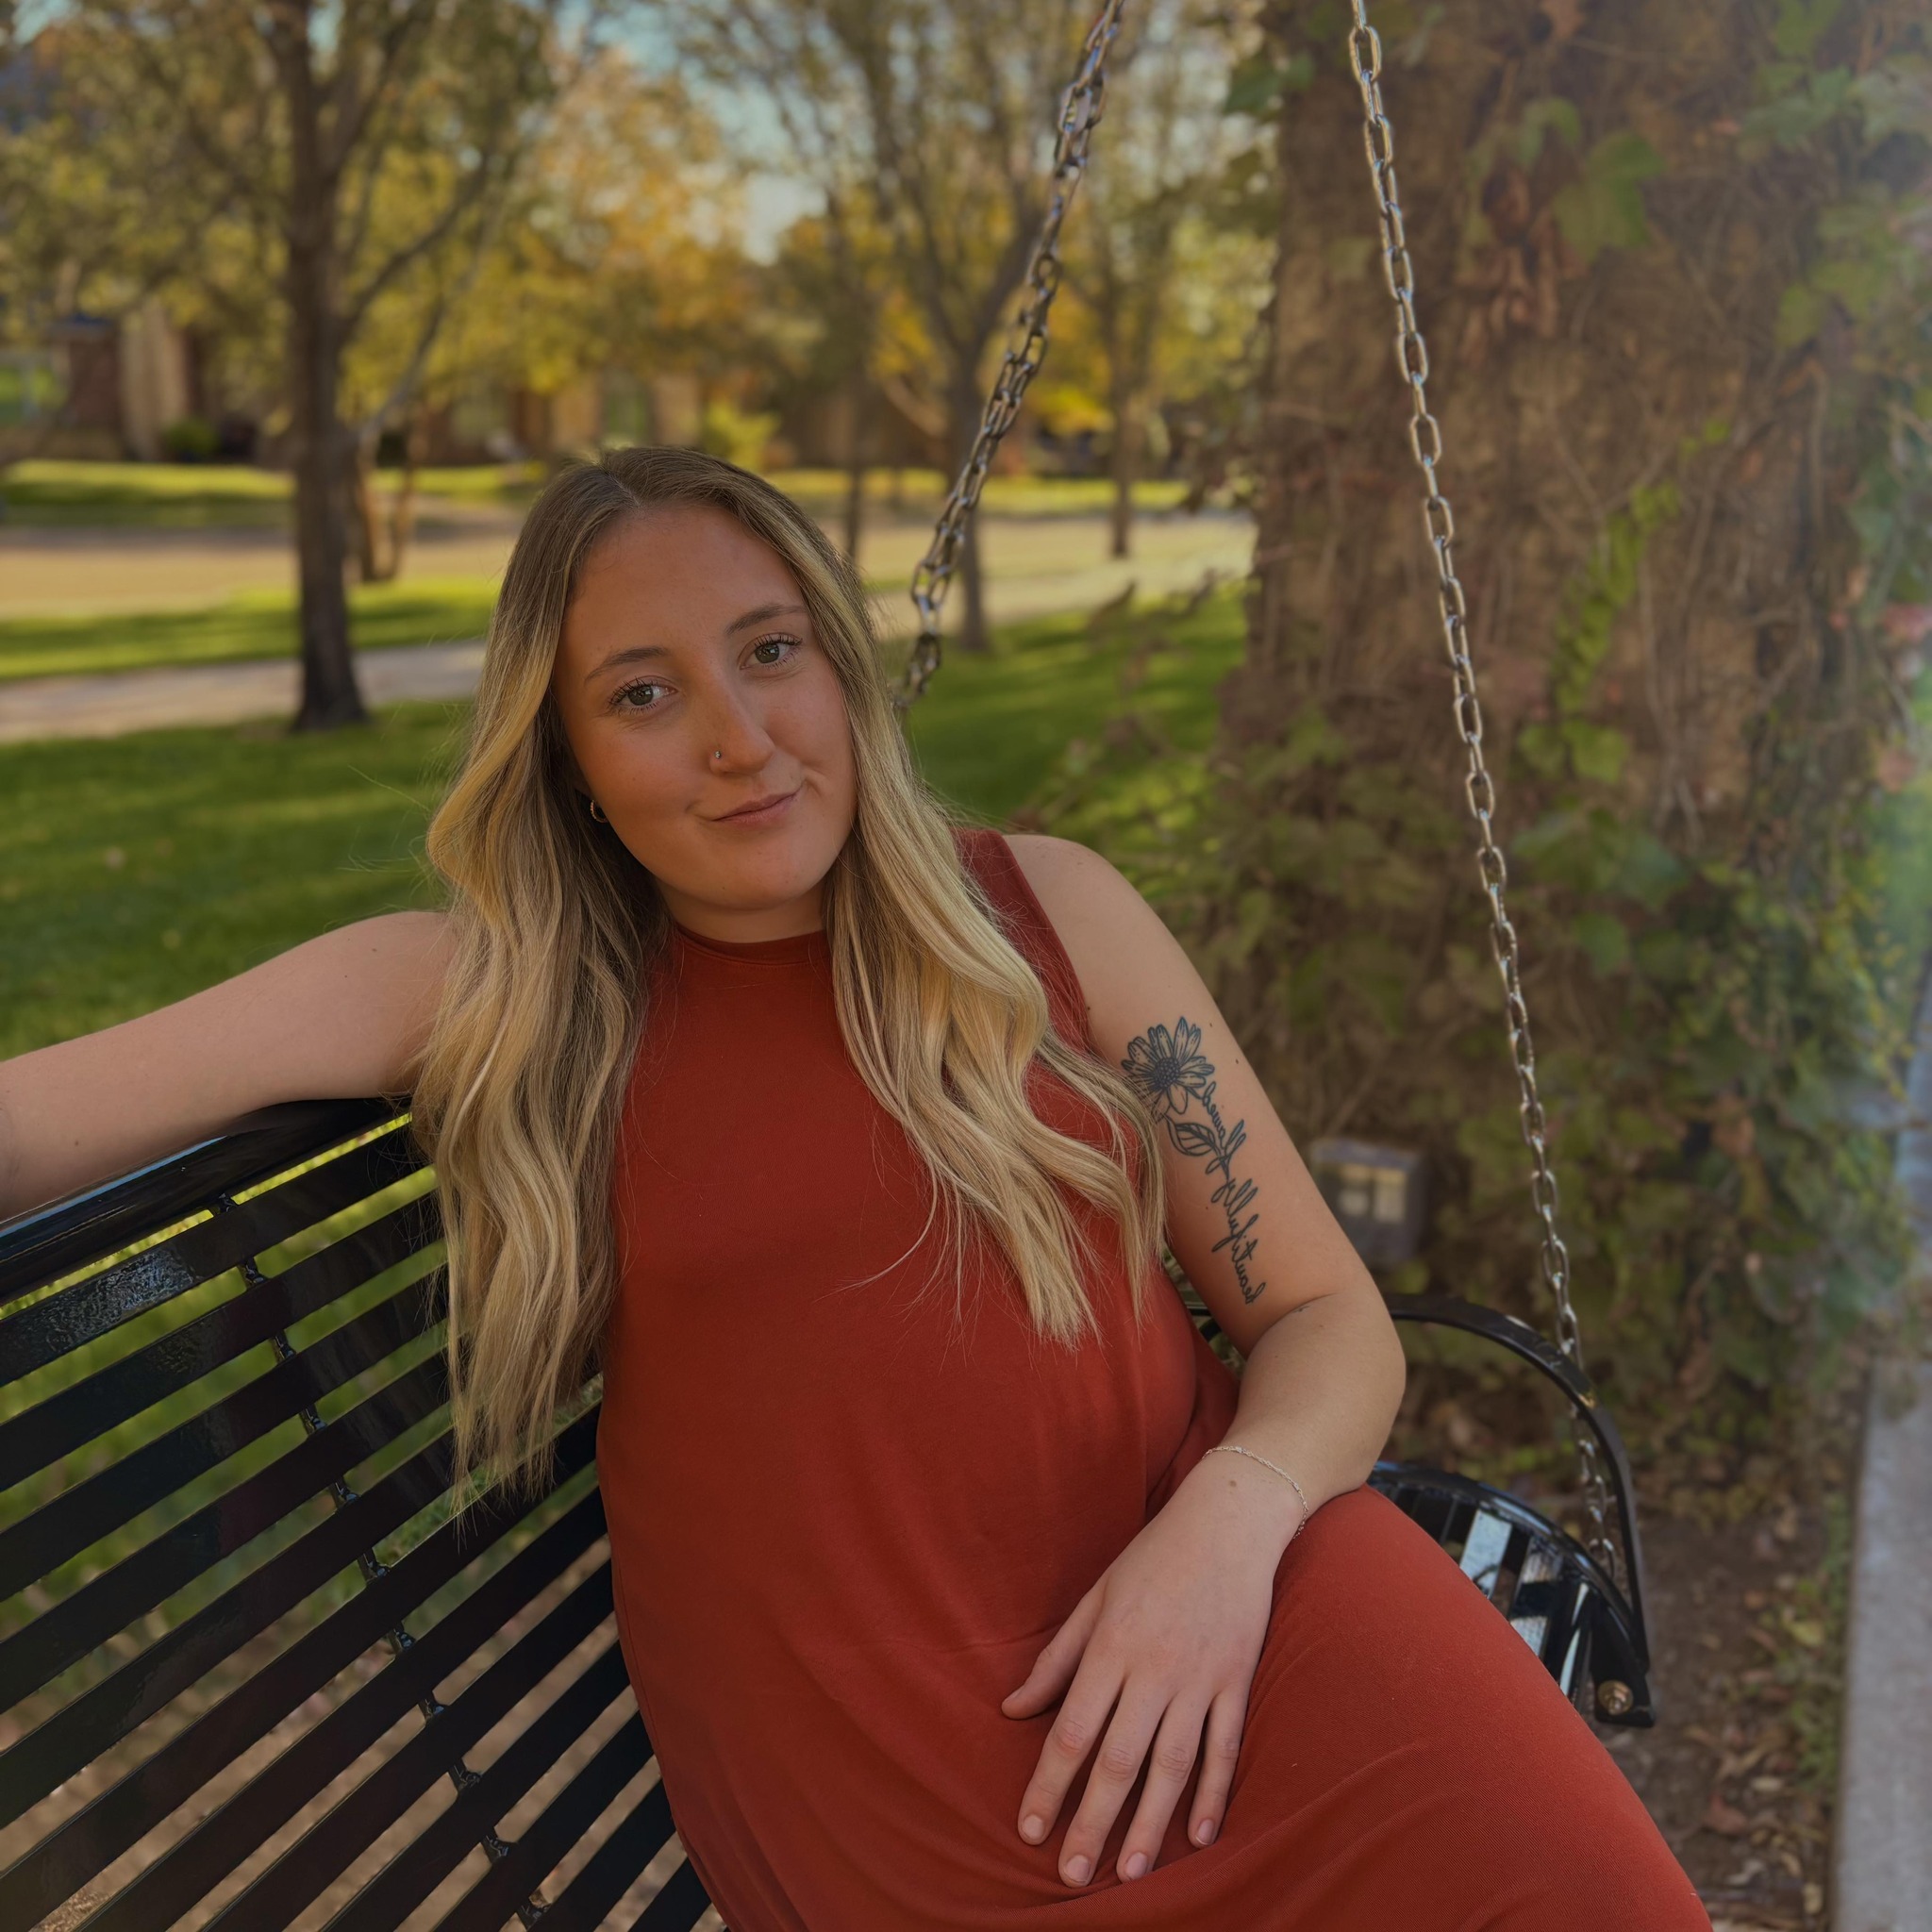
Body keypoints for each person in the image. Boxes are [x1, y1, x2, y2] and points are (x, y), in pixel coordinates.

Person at [0, 448, 1707, 1930]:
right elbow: (42, 1118)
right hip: (931, 1824)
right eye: (646, 692)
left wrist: (1232, 1526)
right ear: (569, 755)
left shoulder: (1047, 912)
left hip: (1257, 1623)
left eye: (770, 654)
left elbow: (1326, 1313)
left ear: (841, 668)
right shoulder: (493, 995)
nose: (741, 741)